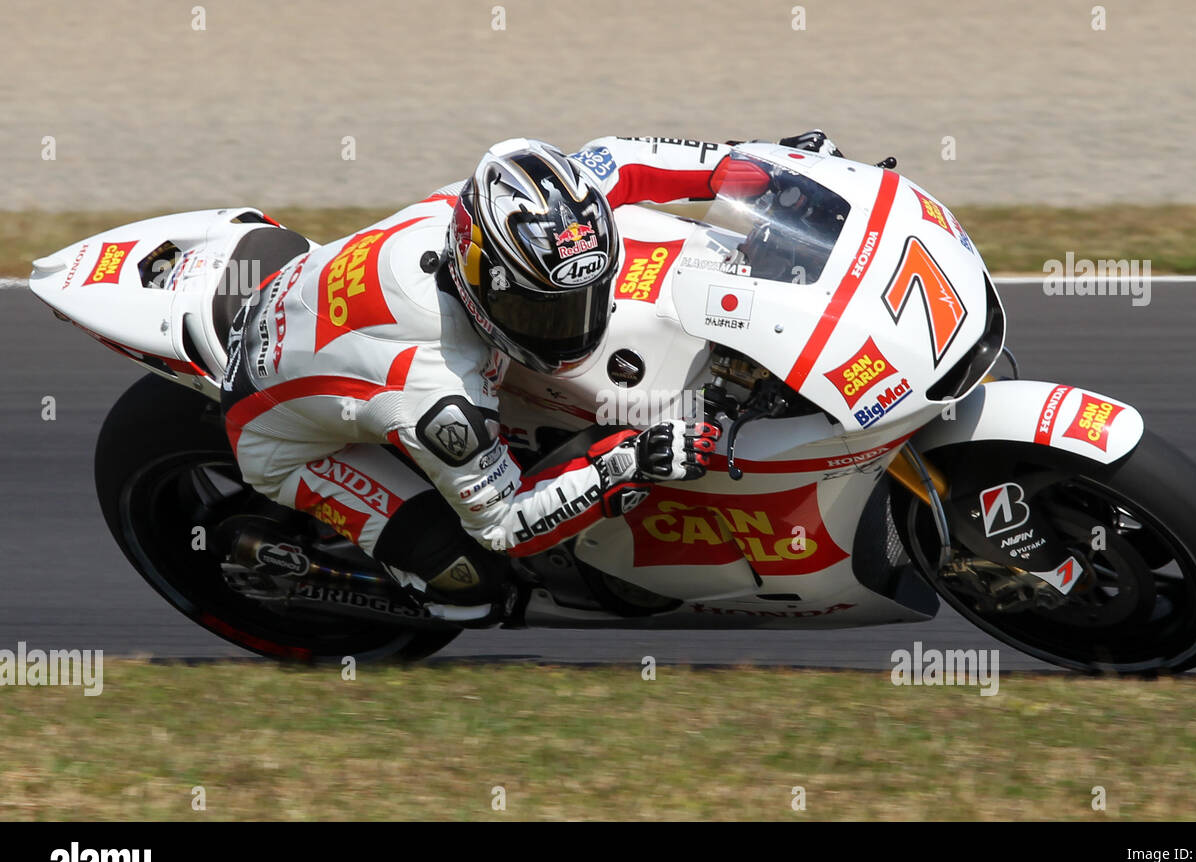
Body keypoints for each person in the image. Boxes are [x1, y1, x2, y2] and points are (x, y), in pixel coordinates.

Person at [220, 131, 839, 625]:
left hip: (323, 317)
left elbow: (623, 160)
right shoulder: (439, 392)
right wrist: (632, 459)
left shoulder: (504, 208)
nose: (572, 327)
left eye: (581, 298)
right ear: (477, 279)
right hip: (276, 426)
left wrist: (772, 173)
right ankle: (344, 579)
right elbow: (504, 524)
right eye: (541, 311)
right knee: (472, 584)